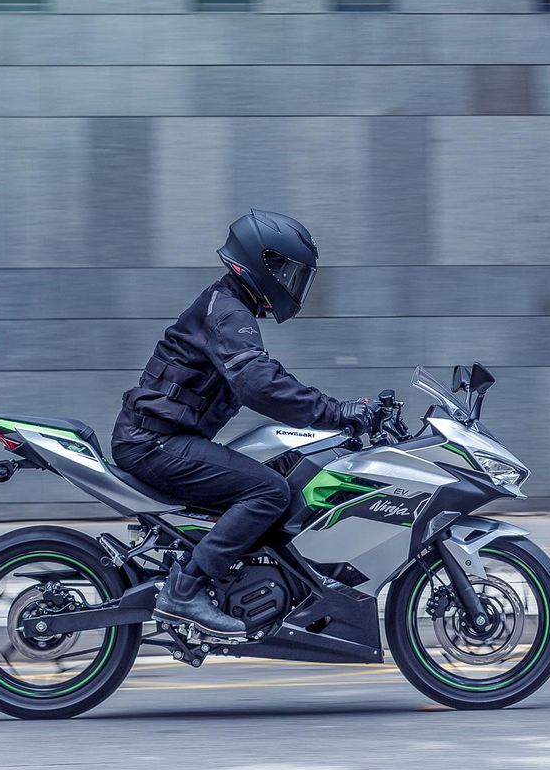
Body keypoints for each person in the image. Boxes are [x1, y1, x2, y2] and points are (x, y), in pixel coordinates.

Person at [111, 210, 377, 638]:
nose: (292, 284)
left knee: (278, 474)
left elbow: (267, 375)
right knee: (270, 491)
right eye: (288, 272)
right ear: (262, 262)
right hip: (154, 443)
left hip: (161, 439)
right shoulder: (228, 312)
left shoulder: (228, 307)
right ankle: (185, 589)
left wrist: (334, 411)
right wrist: (336, 411)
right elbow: (259, 384)